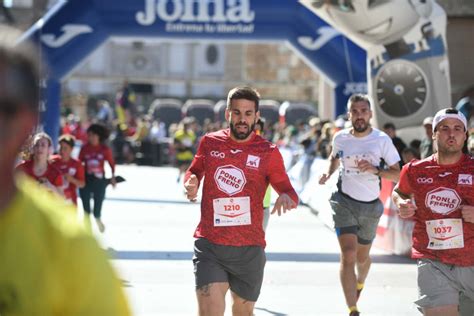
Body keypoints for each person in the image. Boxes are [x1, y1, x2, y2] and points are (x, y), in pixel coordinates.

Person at [0, 26, 130, 315]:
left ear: (27, 123)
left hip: (86, 189)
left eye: (4, 108)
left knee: (94, 208)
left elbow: (83, 177)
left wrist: (107, 177)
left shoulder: (72, 247)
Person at [184, 86, 298, 316]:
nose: (242, 119)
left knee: (243, 312)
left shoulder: (268, 152)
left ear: (256, 116)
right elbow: (193, 171)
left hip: (249, 249)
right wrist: (191, 182)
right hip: (210, 244)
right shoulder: (210, 142)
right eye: (236, 113)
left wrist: (286, 197)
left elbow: (289, 191)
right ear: (228, 114)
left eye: (248, 113)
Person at [319, 94, 401, 316]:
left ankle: (360, 282)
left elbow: (398, 174)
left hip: (370, 206)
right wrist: (328, 173)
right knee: (348, 254)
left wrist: (377, 170)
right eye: (355, 111)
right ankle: (352, 308)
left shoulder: (382, 140)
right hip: (343, 201)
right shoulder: (341, 138)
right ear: (349, 114)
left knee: (362, 259)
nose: (359, 115)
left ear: (370, 114)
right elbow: (334, 157)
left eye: (363, 111)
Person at [392, 108, 474, 316]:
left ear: (465, 135)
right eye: (444, 128)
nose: (451, 134)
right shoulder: (414, 170)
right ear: (434, 134)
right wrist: (401, 202)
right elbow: (398, 192)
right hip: (433, 260)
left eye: (457, 129)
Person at [79, 123, 116, 232]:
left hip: (99, 181)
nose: (89, 137)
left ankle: (98, 218)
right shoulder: (84, 148)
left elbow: (111, 163)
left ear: (98, 136)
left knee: (97, 205)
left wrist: (113, 177)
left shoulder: (104, 149)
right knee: (86, 206)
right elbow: (78, 163)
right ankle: (87, 227)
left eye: (92, 135)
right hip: (86, 180)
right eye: (88, 135)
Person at [16, 132, 64, 196]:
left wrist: (51, 187)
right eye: (37, 145)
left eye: (43, 145)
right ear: (32, 148)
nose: (39, 148)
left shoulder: (56, 173)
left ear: (49, 150)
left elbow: (62, 199)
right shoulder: (21, 169)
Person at [51, 134, 85, 206]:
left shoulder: (77, 164)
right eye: (60, 148)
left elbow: (82, 184)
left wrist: (72, 179)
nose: (62, 151)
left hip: (71, 201)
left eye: (65, 148)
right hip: (55, 201)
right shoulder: (52, 161)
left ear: (71, 149)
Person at [173, 117, 196, 183]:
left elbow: (194, 144)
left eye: (187, 126)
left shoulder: (191, 134)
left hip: (189, 155)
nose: (186, 128)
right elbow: (174, 144)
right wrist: (180, 145)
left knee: (187, 169)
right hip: (181, 155)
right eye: (185, 126)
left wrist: (191, 146)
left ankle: (185, 181)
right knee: (182, 167)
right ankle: (180, 176)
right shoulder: (178, 134)